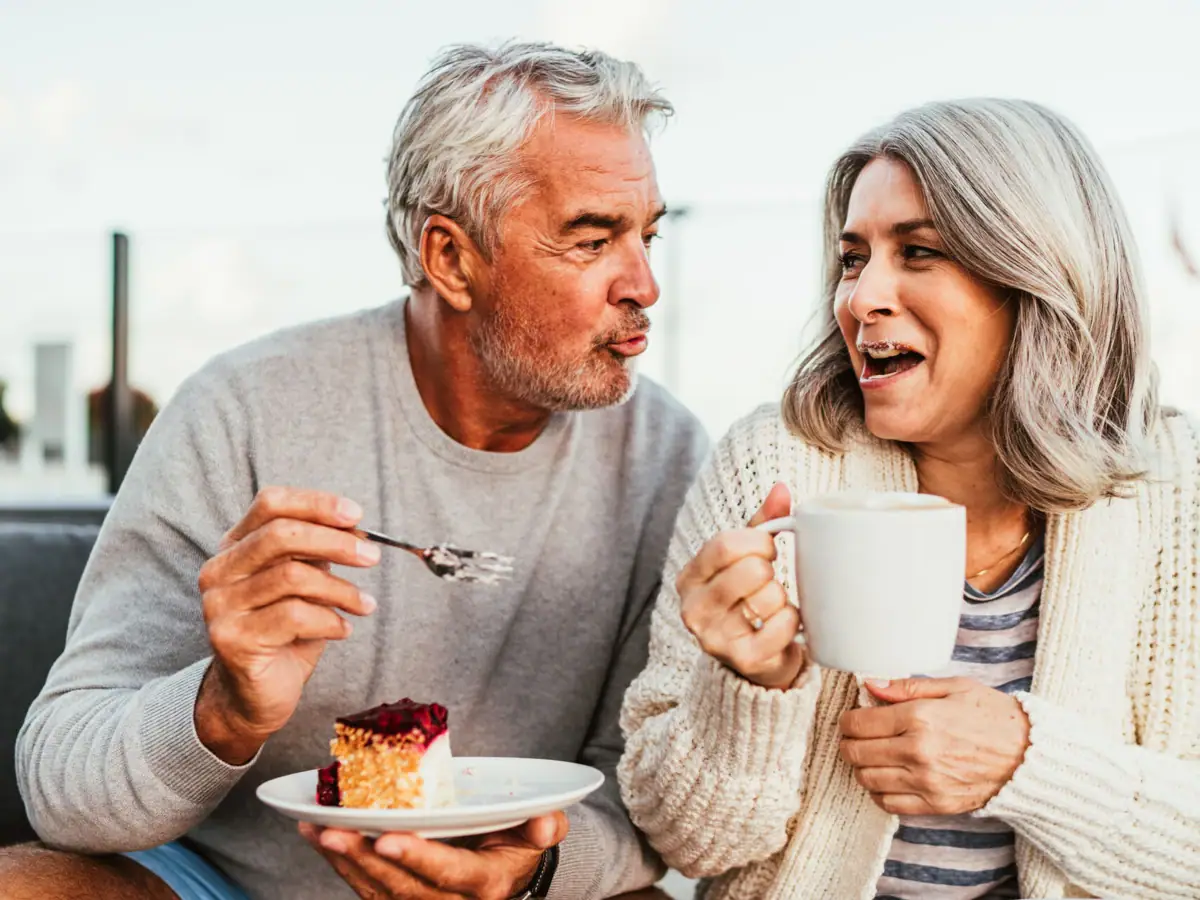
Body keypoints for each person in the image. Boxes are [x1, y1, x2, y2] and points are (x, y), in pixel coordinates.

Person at [4, 41, 708, 900]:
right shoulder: (244, 411)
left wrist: (536, 869)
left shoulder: (669, 459)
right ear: (450, 258)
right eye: (593, 239)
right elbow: (58, 788)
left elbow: (650, 802)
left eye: (647, 233)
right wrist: (220, 709)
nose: (644, 283)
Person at [618, 98, 1200, 899]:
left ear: (1035, 272)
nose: (859, 299)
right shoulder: (774, 464)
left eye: (918, 252)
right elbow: (682, 839)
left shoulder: (1177, 489)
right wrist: (749, 688)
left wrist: (1026, 761)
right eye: (853, 259)